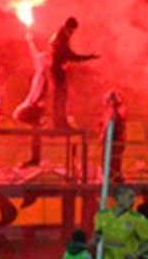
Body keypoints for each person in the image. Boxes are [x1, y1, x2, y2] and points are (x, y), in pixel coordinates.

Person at [49, 17, 97, 131]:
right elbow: (70, 56)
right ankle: (60, 124)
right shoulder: (62, 38)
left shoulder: (59, 36)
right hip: (58, 70)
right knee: (60, 98)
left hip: (58, 69)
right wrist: (88, 57)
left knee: (60, 97)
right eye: (73, 30)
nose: (73, 33)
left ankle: (60, 122)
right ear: (69, 27)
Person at [12, 31, 50, 166]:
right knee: (34, 132)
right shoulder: (39, 73)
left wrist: (38, 103)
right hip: (34, 104)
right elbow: (34, 54)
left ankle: (39, 125)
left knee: (20, 115)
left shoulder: (45, 75)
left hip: (37, 106)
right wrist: (29, 40)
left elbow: (44, 91)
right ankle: (35, 158)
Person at [104, 90, 127, 183]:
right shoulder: (115, 115)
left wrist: (104, 137)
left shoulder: (116, 116)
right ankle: (113, 177)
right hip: (115, 143)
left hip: (114, 144)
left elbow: (114, 130)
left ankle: (114, 178)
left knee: (114, 163)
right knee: (112, 163)